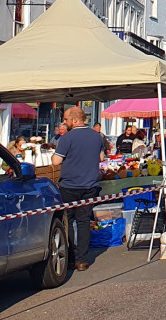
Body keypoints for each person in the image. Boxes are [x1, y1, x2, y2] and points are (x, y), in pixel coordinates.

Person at [52, 107, 105, 272]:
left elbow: (55, 161)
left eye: (66, 120)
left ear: (75, 120)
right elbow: (101, 158)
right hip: (89, 185)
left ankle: (69, 258)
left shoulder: (68, 137)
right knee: (83, 222)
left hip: (70, 185)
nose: (65, 123)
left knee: (67, 222)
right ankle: (82, 260)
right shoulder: (97, 137)